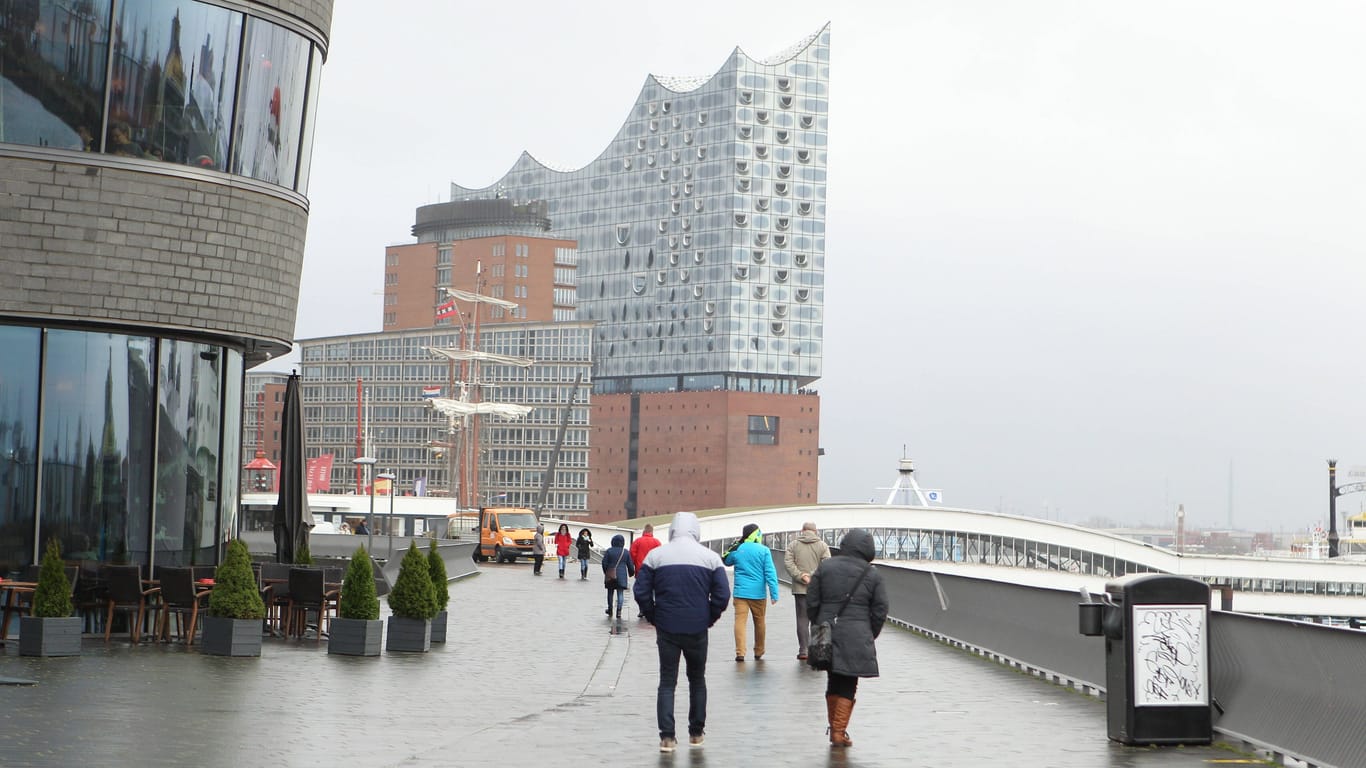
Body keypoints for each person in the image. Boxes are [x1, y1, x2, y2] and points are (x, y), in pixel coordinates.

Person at [634, 512, 731, 752]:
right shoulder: (710, 558)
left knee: (667, 681)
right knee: (697, 680)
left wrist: (653, 615)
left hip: (667, 626)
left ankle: (667, 737)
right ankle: (696, 733)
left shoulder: (656, 556)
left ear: (672, 530)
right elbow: (722, 595)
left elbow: (641, 591)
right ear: (696, 530)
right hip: (697, 627)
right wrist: (709, 616)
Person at [806, 528, 888, 748]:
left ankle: (835, 729)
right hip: (856, 633)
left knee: (833, 677)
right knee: (849, 680)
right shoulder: (872, 574)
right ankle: (838, 732)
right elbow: (880, 609)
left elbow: (812, 599)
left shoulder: (826, 567)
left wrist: (818, 622)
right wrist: (870, 632)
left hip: (826, 630)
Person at [722, 523, 779, 662]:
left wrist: (734, 546)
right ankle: (759, 651)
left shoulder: (739, 549)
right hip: (758, 594)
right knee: (759, 622)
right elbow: (770, 572)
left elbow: (726, 561)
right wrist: (774, 593)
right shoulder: (764, 550)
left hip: (740, 593)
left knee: (740, 622)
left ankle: (740, 652)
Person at [783, 521, 831, 660]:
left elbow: (788, 563)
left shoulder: (793, 545)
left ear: (802, 530)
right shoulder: (822, 545)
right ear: (815, 531)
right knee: (817, 619)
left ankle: (803, 650)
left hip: (800, 589)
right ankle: (816, 650)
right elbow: (827, 564)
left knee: (802, 620)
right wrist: (813, 576)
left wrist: (801, 576)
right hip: (818, 589)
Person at [601, 534, 634, 618]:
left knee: (610, 592)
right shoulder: (625, 552)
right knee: (620, 593)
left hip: (611, 574)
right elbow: (630, 565)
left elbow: (604, 563)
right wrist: (631, 573)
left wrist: (606, 572)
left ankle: (610, 609)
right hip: (622, 576)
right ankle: (619, 611)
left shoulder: (609, 551)